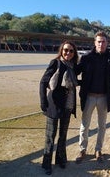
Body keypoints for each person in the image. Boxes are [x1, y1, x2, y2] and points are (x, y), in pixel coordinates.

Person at [75, 31, 110, 164]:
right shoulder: (86, 58)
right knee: (84, 125)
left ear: (107, 43)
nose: (101, 44)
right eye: (99, 41)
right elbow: (74, 72)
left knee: (102, 126)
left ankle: (98, 149)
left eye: (103, 41)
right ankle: (82, 149)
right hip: (89, 97)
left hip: (104, 98)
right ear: (95, 42)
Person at [39, 41, 78, 175]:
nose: (68, 53)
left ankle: (60, 159)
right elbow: (43, 82)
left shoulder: (73, 66)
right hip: (53, 104)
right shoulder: (55, 63)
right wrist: (43, 101)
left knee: (63, 135)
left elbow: (75, 82)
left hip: (68, 104)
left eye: (71, 51)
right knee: (50, 136)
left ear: (74, 53)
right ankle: (46, 164)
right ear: (61, 50)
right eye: (66, 50)